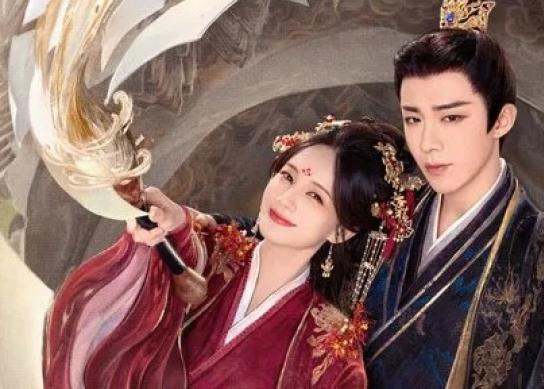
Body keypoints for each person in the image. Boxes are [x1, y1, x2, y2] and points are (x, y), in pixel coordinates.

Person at [44, 119, 421, 388]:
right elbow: (177, 252)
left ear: (342, 230)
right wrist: (156, 226)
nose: (287, 198)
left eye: (315, 196)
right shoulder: (206, 250)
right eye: (288, 176)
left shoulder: (331, 351)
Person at [361, 2, 544, 389]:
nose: (427, 142)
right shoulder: (383, 214)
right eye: (413, 118)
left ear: (501, 120)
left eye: (451, 117)